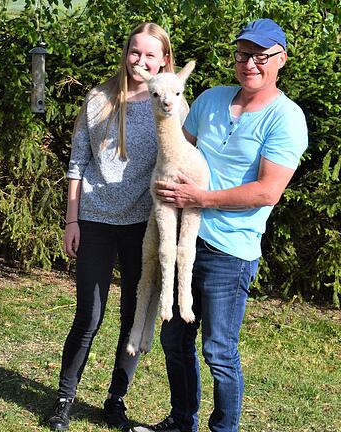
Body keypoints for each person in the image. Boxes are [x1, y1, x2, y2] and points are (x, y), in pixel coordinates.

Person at [130, 18, 308, 432]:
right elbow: (177, 153)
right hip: (183, 238)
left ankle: (222, 429)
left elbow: (267, 191)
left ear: (280, 59)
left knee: (219, 351)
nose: (250, 64)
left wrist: (202, 199)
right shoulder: (210, 100)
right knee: (174, 342)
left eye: (261, 56)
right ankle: (180, 422)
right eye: (243, 55)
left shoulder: (286, 119)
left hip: (231, 250)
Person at [47, 23, 185, 431]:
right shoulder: (99, 100)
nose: (141, 62)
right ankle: (64, 397)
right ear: (126, 53)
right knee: (89, 314)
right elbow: (78, 162)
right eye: (134, 53)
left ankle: (115, 399)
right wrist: (72, 218)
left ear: (165, 60)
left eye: (150, 55)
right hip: (95, 219)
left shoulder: (175, 101)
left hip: (145, 224)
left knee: (134, 315)